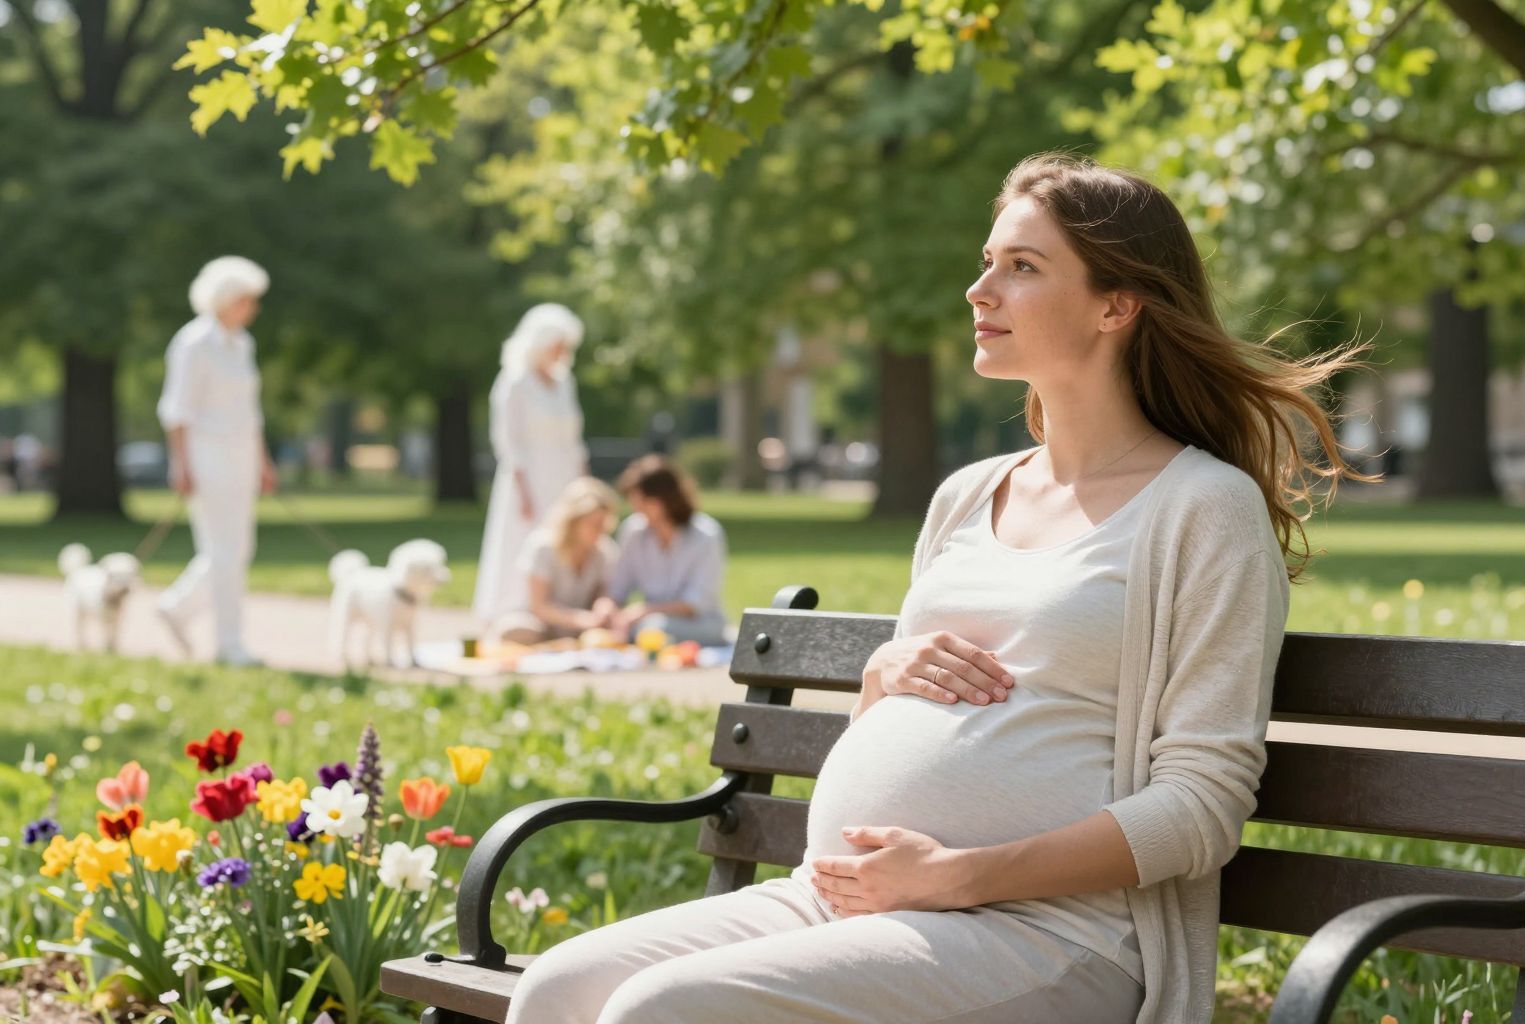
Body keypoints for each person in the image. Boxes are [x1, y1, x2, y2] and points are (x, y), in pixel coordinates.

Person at [503, 152, 1371, 1024]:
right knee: (553, 993)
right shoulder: (967, 493)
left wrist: (959, 875)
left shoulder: (1202, 508)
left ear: (1118, 304)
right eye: (988, 260)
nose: (979, 289)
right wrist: (882, 677)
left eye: (1021, 267)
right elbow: (894, 728)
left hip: (1053, 934)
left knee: (663, 1009)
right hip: (850, 901)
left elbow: (1201, 807)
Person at [156, 256, 278, 667]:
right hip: (206, 454)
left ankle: (176, 606)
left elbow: (250, 410)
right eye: (247, 300)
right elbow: (177, 410)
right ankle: (229, 644)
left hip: (242, 453)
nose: (253, 308)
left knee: (238, 549)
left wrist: (263, 460)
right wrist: (181, 464)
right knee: (223, 551)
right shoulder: (192, 342)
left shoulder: (244, 344)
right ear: (227, 300)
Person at [473, 304, 588, 624]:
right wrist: (522, 489)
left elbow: (574, 437)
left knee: (563, 537)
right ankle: (516, 607)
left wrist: (583, 480)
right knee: (524, 538)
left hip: (564, 474)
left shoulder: (564, 381)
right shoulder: (515, 380)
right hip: (529, 476)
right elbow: (508, 441)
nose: (561, 352)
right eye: (557, 344)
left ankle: (558, 606)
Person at [596, 455, 728, 647]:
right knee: (626, 628)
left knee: (652, 629)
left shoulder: (705, 535)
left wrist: (644, 611)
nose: (637, 509)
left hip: (700, 623)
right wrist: (607, 606)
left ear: (662, 500)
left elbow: (695, 603)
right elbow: (618, 588)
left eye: (641, 502)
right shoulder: (633, 531)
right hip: (647, 620)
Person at [491, 476, 620, 645]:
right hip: (539, 623)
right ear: (573, 521)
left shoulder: (604, 550)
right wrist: (579, 619)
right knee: (514, 630)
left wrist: (603, 607)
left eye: (603, 524)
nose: (599, 531)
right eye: (593, 524)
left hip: (582, 625)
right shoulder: (543, 546)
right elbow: (539, 606)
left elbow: (603, 594)